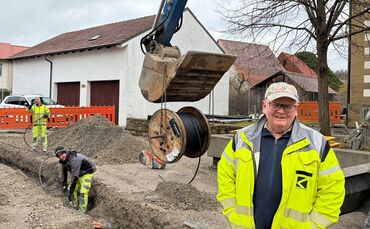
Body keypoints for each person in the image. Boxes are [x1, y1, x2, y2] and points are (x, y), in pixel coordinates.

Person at [217, 82, 345, 228]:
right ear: (265, 106)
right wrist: (233, 215)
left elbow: (333, 189)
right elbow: (225, 178)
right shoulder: (242, 139)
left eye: (287, 106)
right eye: (276, 104)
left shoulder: (317, 144)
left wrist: (313, 225)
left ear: (296, 109)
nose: (281, 111)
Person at [55, 146, 96, 213]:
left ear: (65, 152)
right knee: (70, 188)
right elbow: (64, 173)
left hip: (87, 171)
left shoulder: (74, 159)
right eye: (58, 156)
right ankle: (74, 206)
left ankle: (82, 211)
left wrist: (71, 191)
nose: (61, 157)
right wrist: (64, 184)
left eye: (62, 154)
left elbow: (75, 177)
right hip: (78, 172)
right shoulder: (64, 161)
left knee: (83, 192)